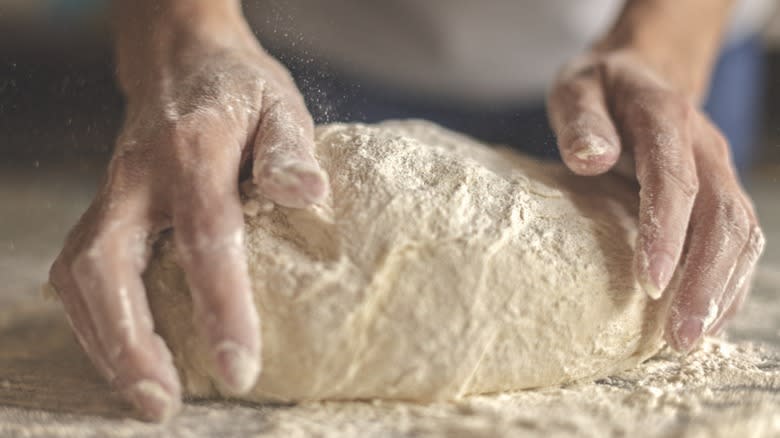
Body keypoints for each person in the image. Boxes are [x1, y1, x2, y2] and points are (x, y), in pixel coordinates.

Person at [47, 0, 767, 421]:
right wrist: (184, 35)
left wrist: (662, 50)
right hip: (320, 39)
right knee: (232, 204)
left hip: (632, 58)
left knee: (657, 236)